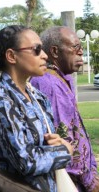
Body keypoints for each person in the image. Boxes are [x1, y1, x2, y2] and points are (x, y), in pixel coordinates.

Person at [0, 25, 73, 191]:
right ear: (11, 56)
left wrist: (57, 142)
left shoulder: (37, 96)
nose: (44, 56)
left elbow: (44, 143)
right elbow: (26, 161)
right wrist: (65, 150)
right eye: (36, 49)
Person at [30, 26, 99, 192]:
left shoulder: (60, 77)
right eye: (75, 47)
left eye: (81, 47)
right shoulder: (51, 85)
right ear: (54, 51)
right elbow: (65, 139)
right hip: (71, 181)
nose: (81, 52)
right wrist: (90, 182)